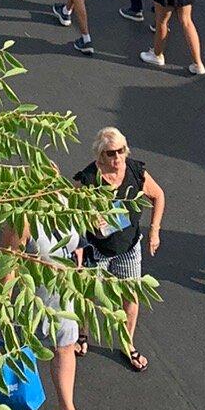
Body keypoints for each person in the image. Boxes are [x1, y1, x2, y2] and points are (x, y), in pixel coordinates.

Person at [72, 128, 165, 373]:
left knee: (131, 295)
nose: (117, 158)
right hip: (97, 247)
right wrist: (87, 222)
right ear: (100, 155)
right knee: (88, 293)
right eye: (111, 153)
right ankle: (82, 334)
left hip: (128, 246)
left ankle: (127, 344)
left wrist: (154, 231)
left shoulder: (135, 171)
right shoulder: (89, 179)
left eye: (121, 151)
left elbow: (158, 196)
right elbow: (70, 208)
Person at [0, 213, 99, 410]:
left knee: (65, 347)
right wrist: (2, 306)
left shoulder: (64, 204)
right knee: (14, 346)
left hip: (64, 295)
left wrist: (78, 251)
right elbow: (7, 263)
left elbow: (75, 238)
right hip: (34, 299)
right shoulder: (22, 220)